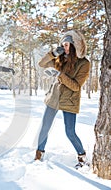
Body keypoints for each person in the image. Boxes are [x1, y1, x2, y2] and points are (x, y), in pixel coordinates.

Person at [35, 30, 90, 169]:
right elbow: (41, 64)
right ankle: (38, 155)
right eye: (62, 45)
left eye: (67, 45)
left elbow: (76, 86)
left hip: (69, 101)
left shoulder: (84, 63)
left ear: (74, 45)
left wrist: (59, 74)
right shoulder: (59, 58)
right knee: (44, 128)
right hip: (54, 98)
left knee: (70, 132)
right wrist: (53, 54)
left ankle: (82, 156)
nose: (64, 48)